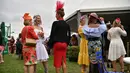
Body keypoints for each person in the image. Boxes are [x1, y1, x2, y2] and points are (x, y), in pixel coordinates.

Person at [48, 1, 71, 73]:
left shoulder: (55, 23)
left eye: (56, 14)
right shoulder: (67, 24)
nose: (55, 16)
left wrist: (50, 45)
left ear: (59, 14)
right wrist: (67, 43)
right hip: (64, 45)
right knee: (63, 61)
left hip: (57, 44)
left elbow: (52, 35)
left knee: (57, 63)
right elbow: (69, 35)